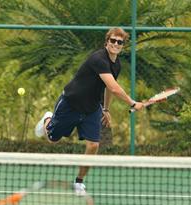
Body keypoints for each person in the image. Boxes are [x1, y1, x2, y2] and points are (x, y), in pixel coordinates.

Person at [35, 27, 143, 195]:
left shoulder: (117, 65)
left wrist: (106, 109)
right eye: (112, 40)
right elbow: (114, 88)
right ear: (106, 42)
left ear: (123, 46)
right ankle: (47, 119)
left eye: (119, 42)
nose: (115, 44)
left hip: (92, 108)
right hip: (70, 104)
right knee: (52, 139)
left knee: (93, 145)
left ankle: (79, 182)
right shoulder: (98, 59)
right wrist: (132, 102)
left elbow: (108, 88)